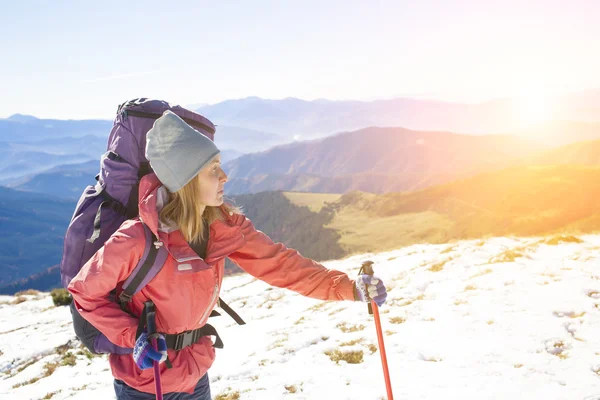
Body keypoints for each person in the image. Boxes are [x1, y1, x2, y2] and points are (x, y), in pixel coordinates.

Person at [68, 110, 388, 399]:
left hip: (196, 375)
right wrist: (133, 337)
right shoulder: (137, 238)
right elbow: (84, 294)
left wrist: (349, 288)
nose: (225, 177)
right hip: (144, 385)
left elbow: (284, 266)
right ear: (186, 182)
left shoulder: (222, 226)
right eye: (213, 170)